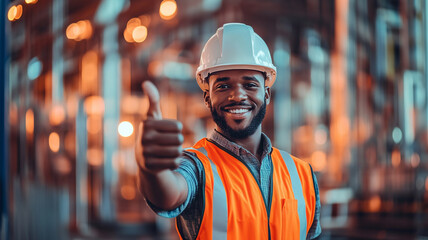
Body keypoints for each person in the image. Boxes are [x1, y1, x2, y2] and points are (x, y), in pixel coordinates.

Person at [135, 23, 321, 240]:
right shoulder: (198, 167)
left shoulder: (302, 174)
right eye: (223, 86)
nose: (237, 96)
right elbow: (168, 194)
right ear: (207, 98)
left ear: (267, 94)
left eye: (250, 84)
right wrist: (150, 169)